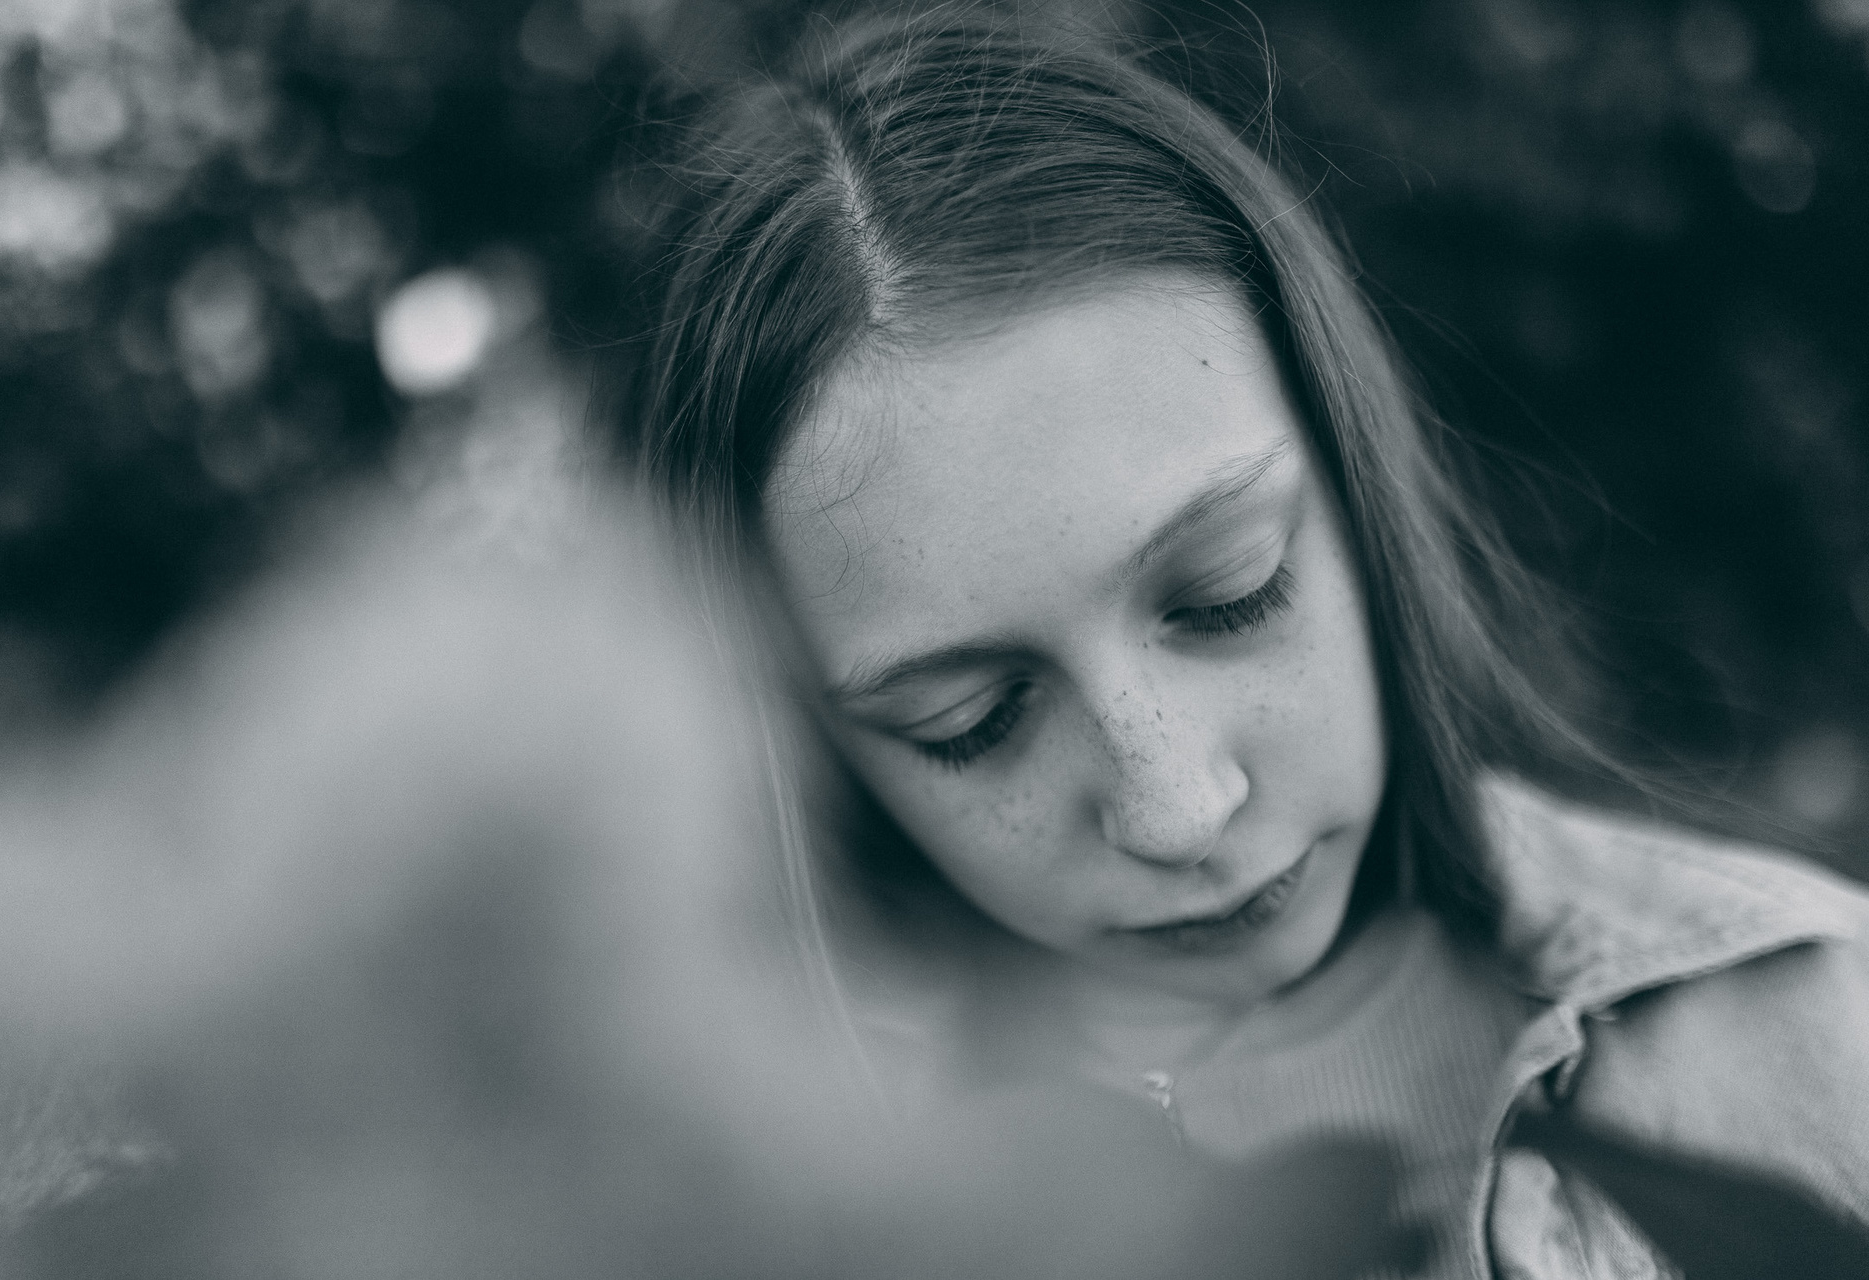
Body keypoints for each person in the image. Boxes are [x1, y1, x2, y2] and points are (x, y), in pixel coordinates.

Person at [619, 11, 1869, 1278]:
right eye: (973, 721)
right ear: (808, 744)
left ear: (1353, 478)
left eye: (1231, 593)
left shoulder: (1816, 1037)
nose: (1179, 809)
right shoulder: (748, 1222)